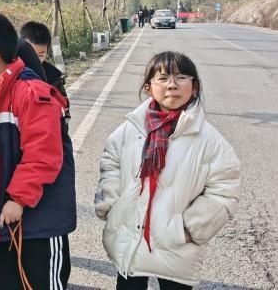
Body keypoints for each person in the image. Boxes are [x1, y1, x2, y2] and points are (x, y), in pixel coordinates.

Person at [94, 51, 241, 289]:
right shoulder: (130, 129)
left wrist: (187, 229)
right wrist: (111, 205)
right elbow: (111, 162)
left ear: (194, 87)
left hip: (176, 248)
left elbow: (225, 191)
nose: (172, 85)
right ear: (148, 87)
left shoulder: (210, 141)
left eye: (181, 77)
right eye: (162, 78)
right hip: (130, 238)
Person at [0, 13, 76, 290]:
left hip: (40, 222)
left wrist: (19, 199)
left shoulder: (32, 92)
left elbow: (43, 155)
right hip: (8, 221)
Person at [19, 21, 69, 104]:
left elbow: (64, 111)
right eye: (31, 54)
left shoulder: (54, 80)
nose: (35, 60)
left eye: (41, 55)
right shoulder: (8, 77)